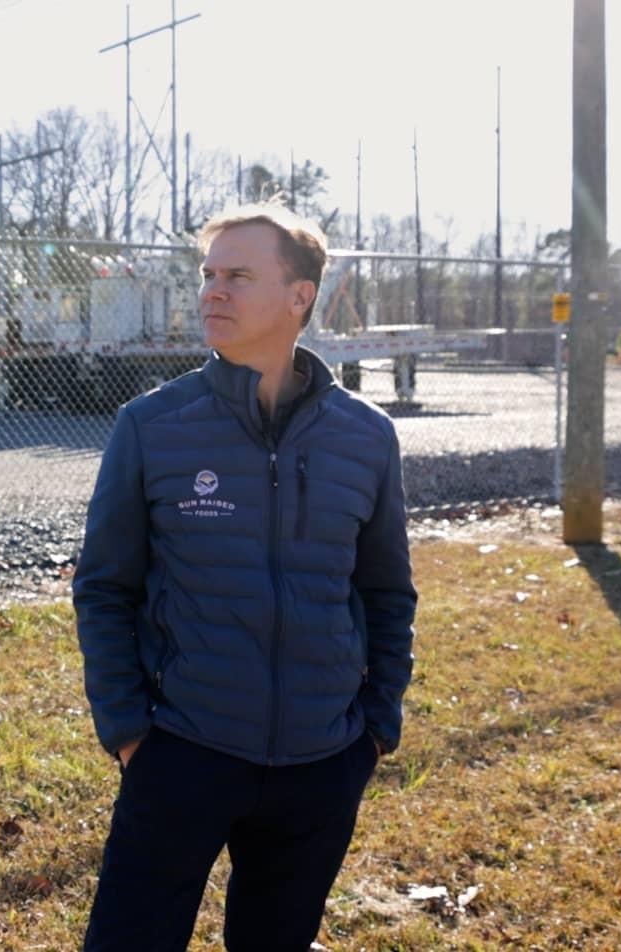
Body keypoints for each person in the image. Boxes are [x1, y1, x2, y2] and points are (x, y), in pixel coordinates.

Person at [72, 202, 417, 951]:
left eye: (237, 275)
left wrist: (374, 729)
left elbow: (387, 591)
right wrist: (130, 732)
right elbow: (104, 585)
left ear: (300, 296)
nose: (211, 293)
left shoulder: (366, 437)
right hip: (183, 752)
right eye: (208, 275)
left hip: (322, 763)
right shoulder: (153, 425)